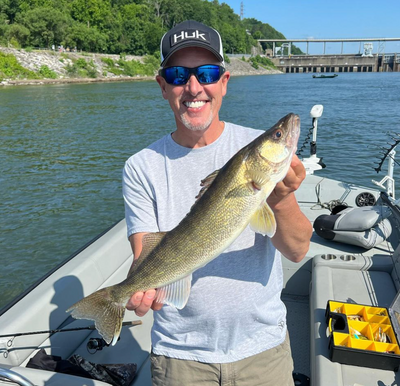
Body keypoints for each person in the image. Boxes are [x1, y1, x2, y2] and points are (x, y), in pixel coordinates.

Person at [122, 20, 312, 386]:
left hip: (263, 350)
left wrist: (283, 198)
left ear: (224, 82)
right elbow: (145, 251)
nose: (194, 87)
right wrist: (137, 290)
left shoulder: (252, 153)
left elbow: (297, 250)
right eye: (178, 75)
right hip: (181, 356)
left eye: (206, 73)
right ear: (163, 86)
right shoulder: (140, 167)